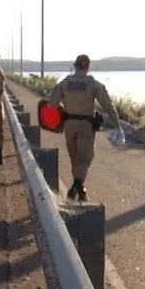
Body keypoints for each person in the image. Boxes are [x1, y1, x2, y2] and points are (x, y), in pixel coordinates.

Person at [46, 54, 124, 201]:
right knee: (86, 159)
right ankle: (76, 185)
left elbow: (51, 104)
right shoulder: (92, 83)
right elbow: (108, 105)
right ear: (88, 67)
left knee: (74, 160)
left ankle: (81, 191)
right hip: (86, 127)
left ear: (75, 66)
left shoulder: (65, 83)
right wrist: (117, 124)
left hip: (69, 126)